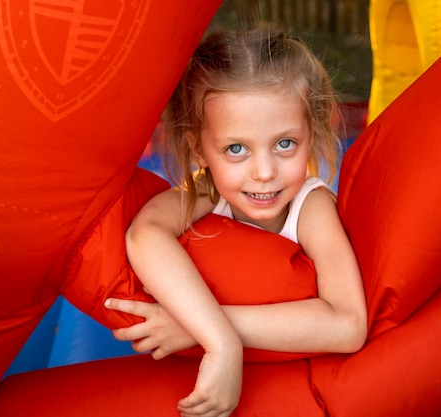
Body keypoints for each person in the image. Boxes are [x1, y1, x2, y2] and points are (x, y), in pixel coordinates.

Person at [104, 27, 367, 417]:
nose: (264, 172)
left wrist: (203, 329)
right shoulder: (207, 192)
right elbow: (145, 234)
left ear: (311, 133)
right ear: (199, 149)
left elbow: (348, 325)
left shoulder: (311, 209)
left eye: (285, 144)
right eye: (236, 149)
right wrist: (219, 340)